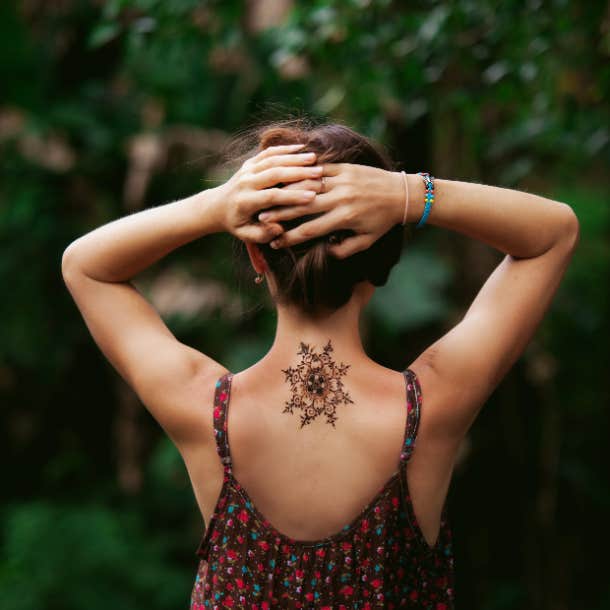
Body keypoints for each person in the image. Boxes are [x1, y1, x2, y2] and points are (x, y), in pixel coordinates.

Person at [61, 118, 580, 609]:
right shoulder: (431, 408)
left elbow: (85, 265)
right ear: (384, 261)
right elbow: (553, 232)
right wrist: (407, 194)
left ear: (257, 257)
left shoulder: (202, 407)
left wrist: (218, 205)